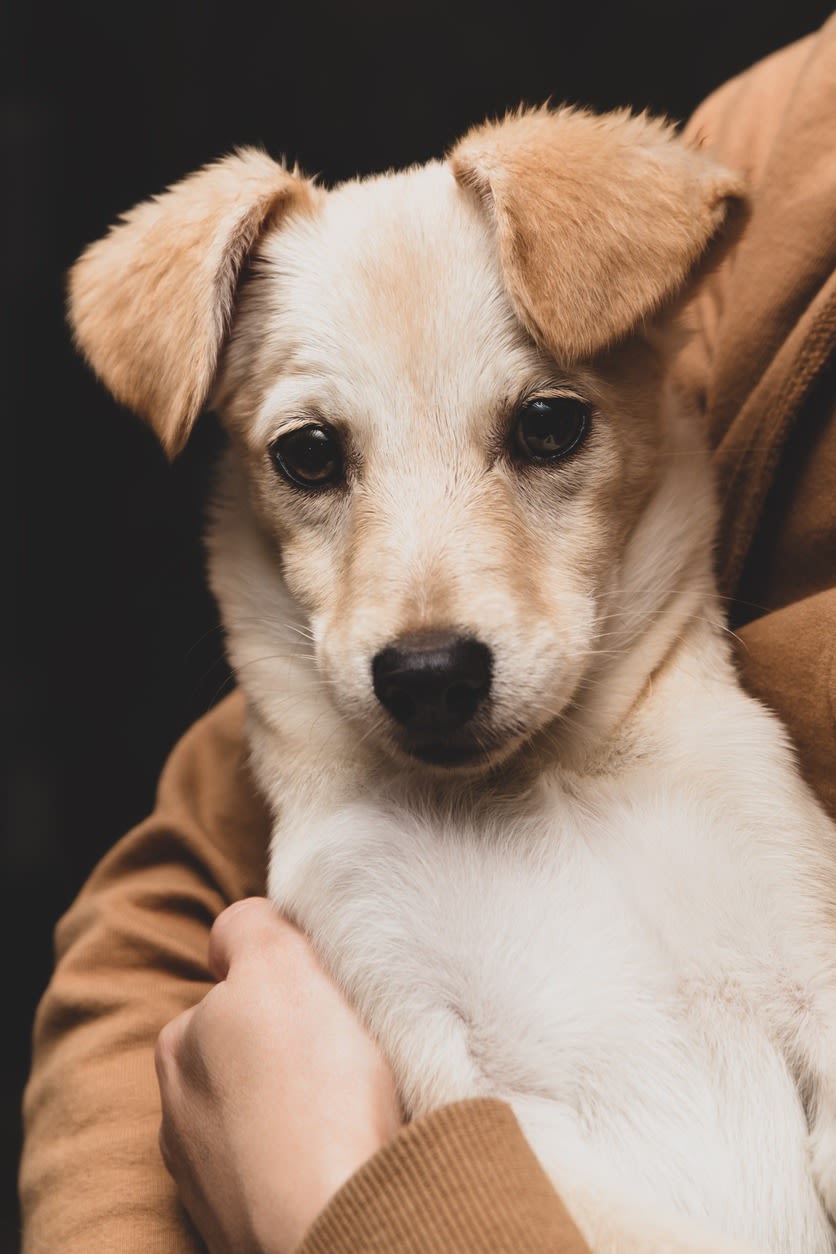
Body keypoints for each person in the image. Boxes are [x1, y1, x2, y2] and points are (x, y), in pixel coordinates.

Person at [20, 18, 836, 1252]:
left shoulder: (714, 752)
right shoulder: (789, 133)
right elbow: (154, 921)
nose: (428, 636)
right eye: (311, 455)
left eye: (543, 431)